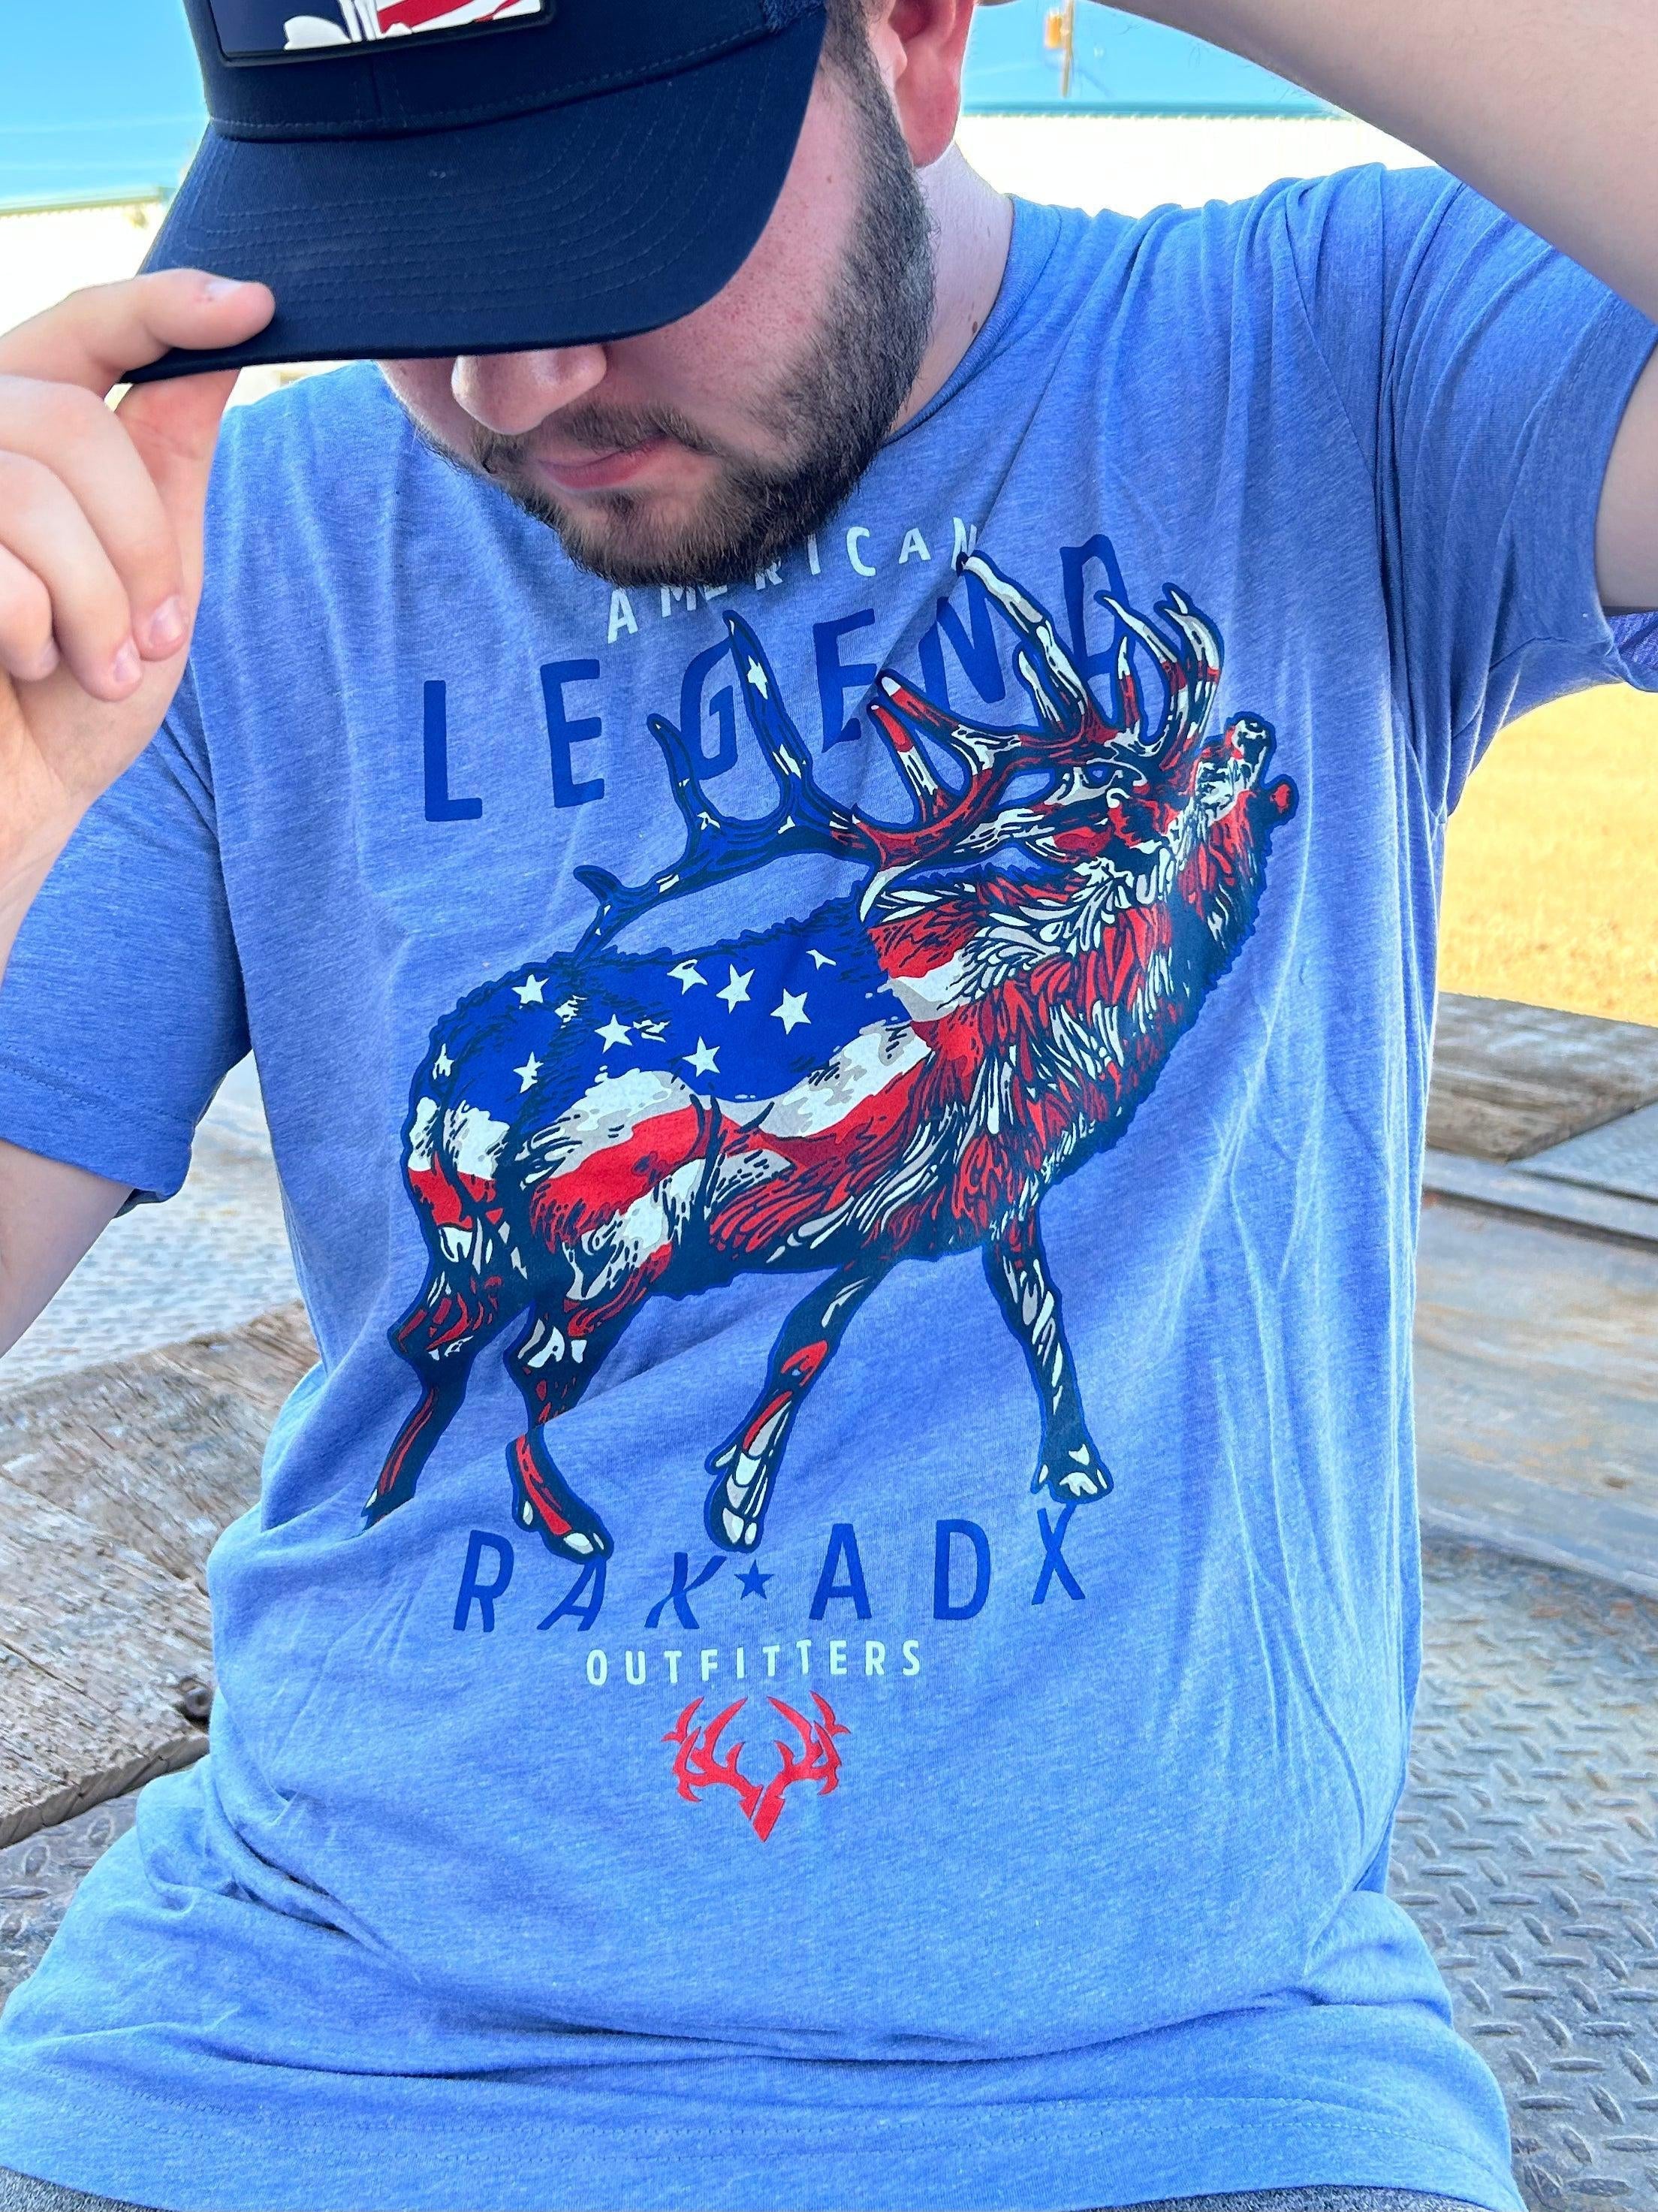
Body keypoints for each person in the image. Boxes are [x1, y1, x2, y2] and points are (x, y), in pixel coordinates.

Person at [0, 0, 1653, 2205]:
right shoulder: (234, 555)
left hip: (1170, 2088)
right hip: (277, 2046)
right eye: (401, 253)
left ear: (918, 31)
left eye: (613, 219)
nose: (509, 384)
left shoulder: (1335, 368)